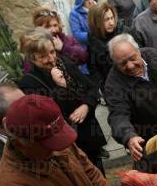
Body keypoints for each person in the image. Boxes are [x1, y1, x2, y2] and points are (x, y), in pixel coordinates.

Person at [17, 28, 107, 173]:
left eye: (52, 52)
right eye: (43, 56)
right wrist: (60, 87)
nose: (51, 59)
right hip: (66, 145)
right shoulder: (29, 84)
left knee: (99, 177)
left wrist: (86, 106)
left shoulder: (65, 63)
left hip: (89, 135)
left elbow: (91, 89)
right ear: (32, 58)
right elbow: (46, 114)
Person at [105, 34, 157, 162]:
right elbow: (118, 116)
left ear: (138, 50)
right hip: (144, 141)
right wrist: (129, 137)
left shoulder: (153, 55)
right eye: (122, 63)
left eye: (132, 58)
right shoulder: (113, 85)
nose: (130, 66)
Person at [23, 7, 89, 74]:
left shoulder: (65, 39)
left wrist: (64, 48)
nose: (54, 30)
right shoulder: (34, 47)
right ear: (38, 28)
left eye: (55, 25)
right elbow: (30, 72)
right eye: (47, 27)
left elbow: (84, 57)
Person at [88, 2, 126, 90]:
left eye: (112, 18)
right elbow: (94, 69)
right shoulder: (93, 42)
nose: (111, 23)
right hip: (114, 89)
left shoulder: (124, 32)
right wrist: (104, 87)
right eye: (106, 20)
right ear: (96, 22)